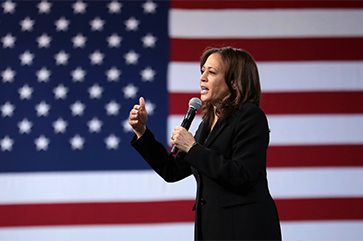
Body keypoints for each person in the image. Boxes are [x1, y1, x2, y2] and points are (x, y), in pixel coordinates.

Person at [128, 47, 282, 241]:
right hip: (212, 229)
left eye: (212, 72)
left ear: (234, 82)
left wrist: (193, 148)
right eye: (202, 71)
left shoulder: (250, 116)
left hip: (244, 229)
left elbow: (242, 175)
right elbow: (172, 170)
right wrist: (142, 131)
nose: (202, 78)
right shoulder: (207, 124)